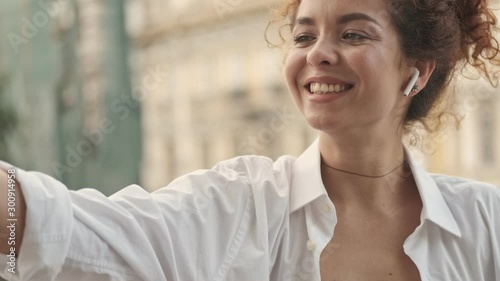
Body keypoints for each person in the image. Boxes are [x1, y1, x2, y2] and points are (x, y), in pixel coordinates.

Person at [1, 0, 500, 279]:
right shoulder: (241, 206)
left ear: (416, 70)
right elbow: (78, 231)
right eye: (304, 37)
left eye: (353, 35)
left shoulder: (487, 222)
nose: (318, 54)